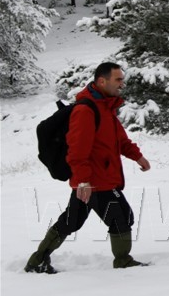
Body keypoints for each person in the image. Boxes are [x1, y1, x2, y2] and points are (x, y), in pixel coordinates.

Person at [25, 62, 152, 273]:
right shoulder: (85, 110)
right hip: (94, 181)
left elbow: (119, 140)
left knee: (71, 221)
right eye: (118, 79)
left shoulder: (106, 107)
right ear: (102, 81)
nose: (122, 83)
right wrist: (83, 181)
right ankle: (123, 261)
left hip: (94, 179)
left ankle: (37, 260)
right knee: (121, 217)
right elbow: (77, 150)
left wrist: (137, 157)